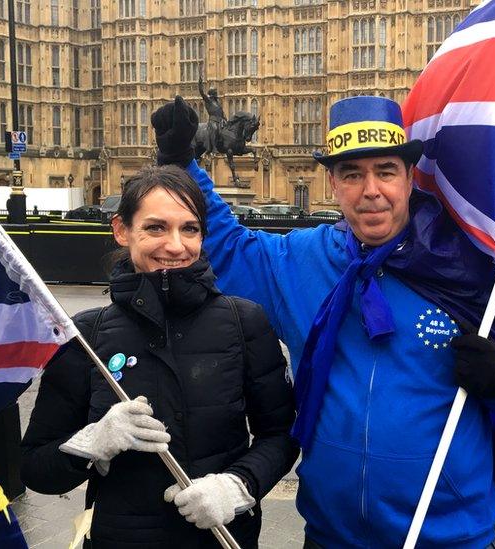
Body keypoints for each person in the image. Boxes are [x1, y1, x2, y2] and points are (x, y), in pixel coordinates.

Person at [150, 95, 495, 548]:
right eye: (352, 174)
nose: (371, 190)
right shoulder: (300, 260)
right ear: (333, 184)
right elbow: (228, 246)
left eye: (385, 171)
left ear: (408, 177)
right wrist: (181, 164)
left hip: (448, 535)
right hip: (331, 534)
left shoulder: (469, 266)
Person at [20, 165, 298, 548]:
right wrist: (89, 443)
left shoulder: (244, 320)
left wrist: (239, 485)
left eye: (189, 228)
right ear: (122, 230)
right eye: (155, 227)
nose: (175, 245)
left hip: (222, 538)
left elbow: (280, 435)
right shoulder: (86, 335)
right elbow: (36, 469)